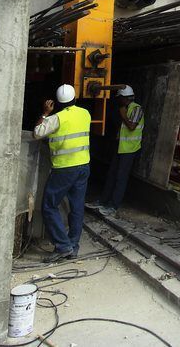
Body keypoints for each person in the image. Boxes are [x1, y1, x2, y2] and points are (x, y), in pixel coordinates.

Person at [34, 84, 91, 263]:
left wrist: (45, 113)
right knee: (77, 207)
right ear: (75, 98)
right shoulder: (85, 114)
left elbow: (37, 133)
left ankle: (63, 246)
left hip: (64, 169)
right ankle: (73, 246)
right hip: (83, 166)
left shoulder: (56, 118)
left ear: (57, 102)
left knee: (49, 206)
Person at [98, 85, 144, 217]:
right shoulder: (125, 108)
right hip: (120, 147)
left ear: (125, 98)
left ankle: (113, 206)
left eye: (120, 98)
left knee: (120, 178)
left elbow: (131, 126)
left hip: (129, 149)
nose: (118, 101)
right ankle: (103, 201)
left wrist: (123, 115)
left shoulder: (136, 108)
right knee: (112, 175)